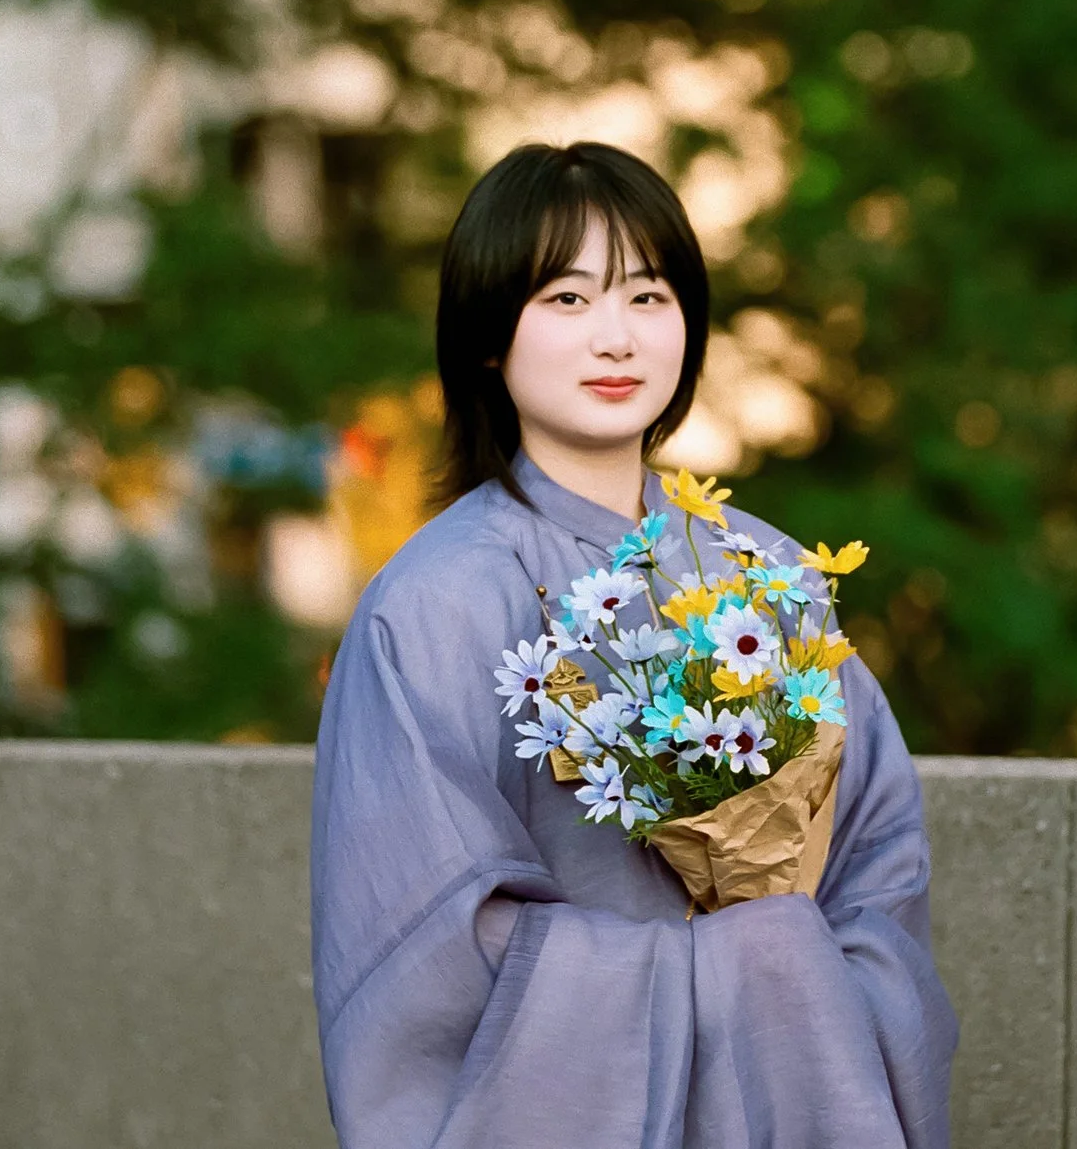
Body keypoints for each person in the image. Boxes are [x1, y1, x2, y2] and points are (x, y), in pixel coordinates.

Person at [309, 141, 958, 1149]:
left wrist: (798, 977)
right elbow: (427, 943)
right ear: (489, 335)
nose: (615, 338)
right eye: (566, 300)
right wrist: (727, 975)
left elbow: (878, 861)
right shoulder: (433, 603)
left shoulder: (766, 578)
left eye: (648, 297)